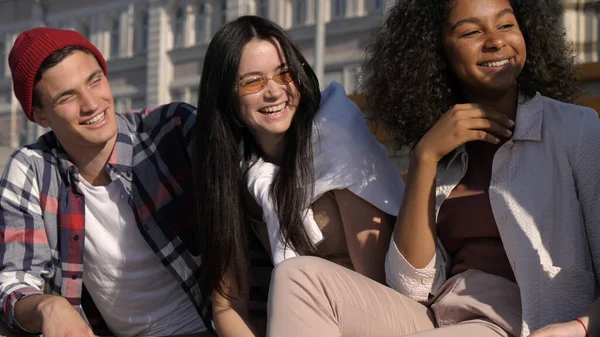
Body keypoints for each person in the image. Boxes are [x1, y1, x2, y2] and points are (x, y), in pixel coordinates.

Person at [266, 0, 600, 336]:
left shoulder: (574, 130)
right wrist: (425, 157)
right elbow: (410, 287)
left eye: (506, 25)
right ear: (436, 52)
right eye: (471, 31)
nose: (496, 40)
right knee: (296, 277)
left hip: (521, 323)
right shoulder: (442, 148)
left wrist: (579, 327)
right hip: (441, 317)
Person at [192, 15, 404, 337]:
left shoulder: (335, 139)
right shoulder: (237, 176)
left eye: (285, 74)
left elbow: (377, 287)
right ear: (228, 99)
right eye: (253, 82)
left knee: (294, 275)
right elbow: (227, 308)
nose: (275, 92)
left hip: (380, 317)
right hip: (303, 320)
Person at [0, 28, 212, 337]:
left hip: (214, 324)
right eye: (67, 97)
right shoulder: (33, 168)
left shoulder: (172, 129)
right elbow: (14, 280)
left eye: (94, 80)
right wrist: (48, 306)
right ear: (40, 116)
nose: (91, 104)